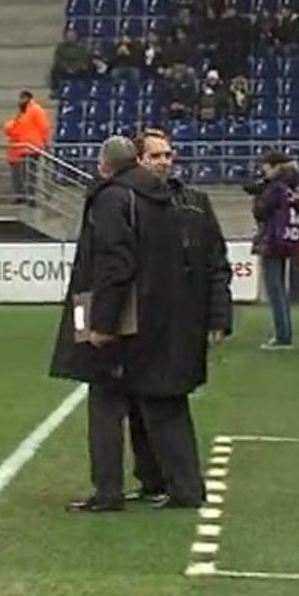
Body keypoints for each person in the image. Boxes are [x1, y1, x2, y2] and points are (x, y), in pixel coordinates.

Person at [49, 136, 199, 512]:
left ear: (104, 166)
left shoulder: (114, 199)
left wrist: (103, 322)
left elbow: (115, 264)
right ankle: (182, 485)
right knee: (162, 401)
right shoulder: (164, 198)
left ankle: (108, 490)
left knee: (105, 401)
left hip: (123, 315)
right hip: (161, 314)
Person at [123, 128, 232, 505]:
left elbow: (217, 263)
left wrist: (218, 318)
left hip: (179, 324)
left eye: (167, 154)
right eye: (156, 156)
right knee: (137, 403)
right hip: (138, 321)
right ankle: (153, 480)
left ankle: (185, 488)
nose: (165, 161)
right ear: (138, 160)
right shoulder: (128, 202)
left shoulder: (195, 203)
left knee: (165, 401)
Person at [245, 151, 299, 350]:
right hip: (286, 239)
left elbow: (260, 211)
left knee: (275, 289)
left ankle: (282, 335)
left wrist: (260, 193)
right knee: (280, 287)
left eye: (266, 165)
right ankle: (284, 331)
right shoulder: (289, 187)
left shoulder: (274, 188)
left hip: (271, 239)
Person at [2, 90, 51, 204]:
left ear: (28, 98)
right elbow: (15, 127)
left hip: (32, 147)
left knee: (30, 174)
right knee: (22, 174)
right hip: (21, 148)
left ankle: (31, 197)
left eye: (22, 98)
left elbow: (44, 127)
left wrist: (44, 142)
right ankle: (23, 196)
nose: (20, 101)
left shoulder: (36, 110)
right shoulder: (22, 112)